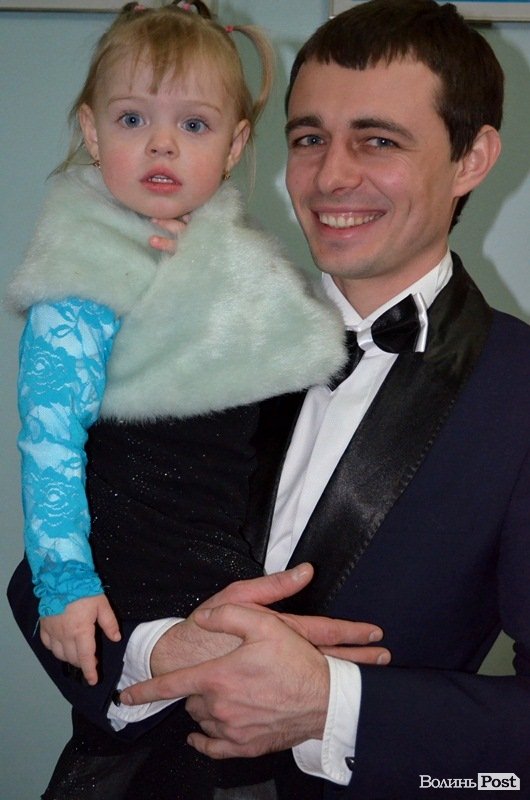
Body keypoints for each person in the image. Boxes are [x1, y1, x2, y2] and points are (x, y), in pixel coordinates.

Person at [9, 0, 530, 797]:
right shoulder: (210, 309)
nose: (332, 177)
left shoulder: (518, 390)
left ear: (472, 158)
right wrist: (155, 650)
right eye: (310, 138)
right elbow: (57, 554)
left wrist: (332, 706)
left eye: (378, 141)